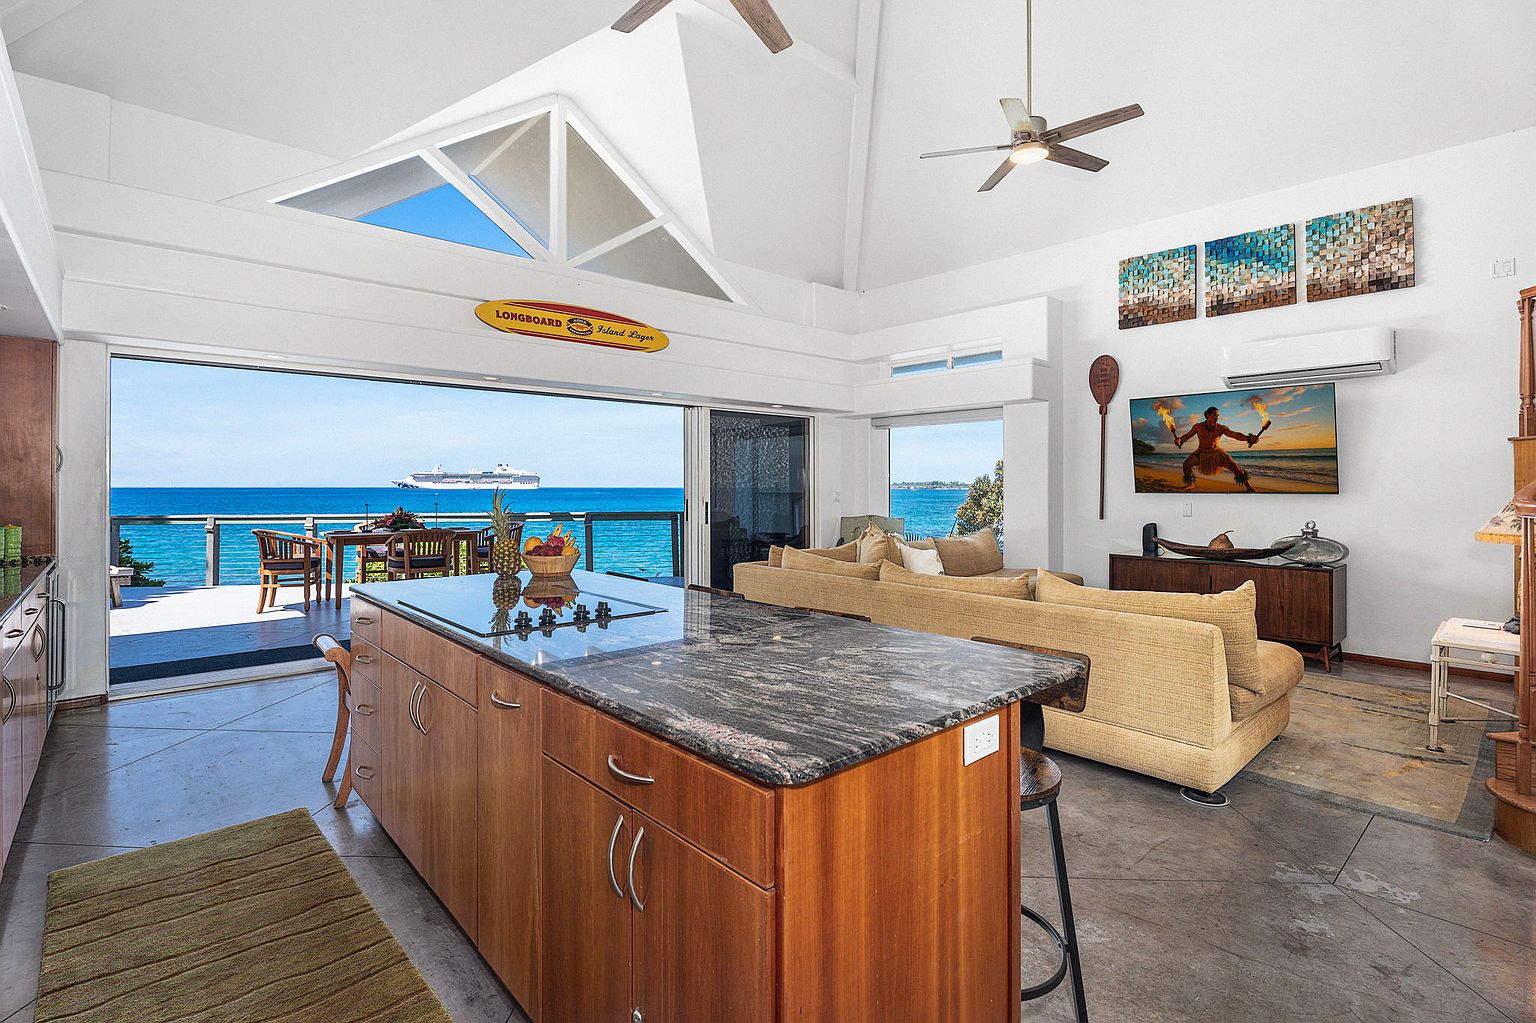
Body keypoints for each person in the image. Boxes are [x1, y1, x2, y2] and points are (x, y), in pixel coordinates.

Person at [1175, 407, 1258, 492]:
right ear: (1207, 415)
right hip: (1201, 453)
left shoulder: (1221, 428)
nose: (1217, 417)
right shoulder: (1198, 427)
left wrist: (1249, 438)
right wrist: (1180, 440)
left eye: (1218, 415)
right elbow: (1187, 436)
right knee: (1186, 464)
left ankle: (1248, 487)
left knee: (1235, 467)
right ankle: (1190, 484)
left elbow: (1235, 435)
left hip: (1216, 453)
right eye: (1214, 415)